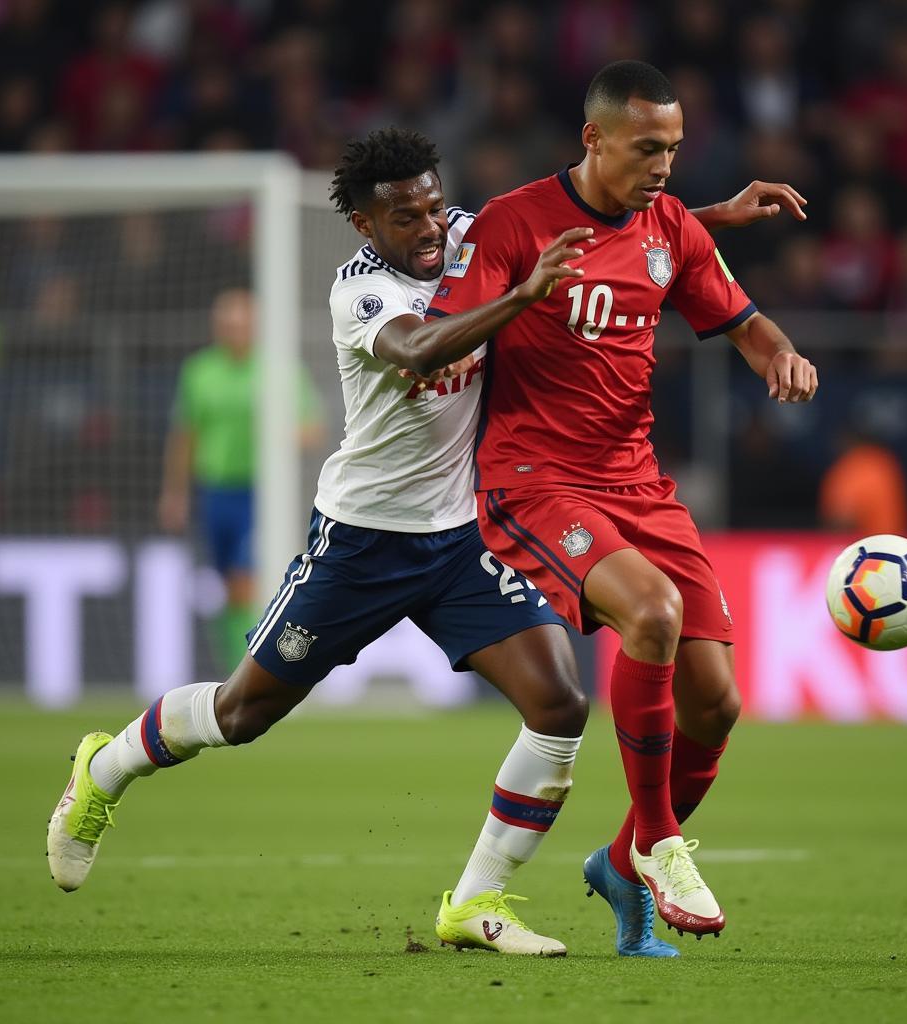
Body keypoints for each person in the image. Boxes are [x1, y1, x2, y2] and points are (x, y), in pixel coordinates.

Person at [48, 124, 808, 958]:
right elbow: (418, 351)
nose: (429, 230)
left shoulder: (469, 240)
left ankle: (475, 902)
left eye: (436, 208)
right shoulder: (359, 293)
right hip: (363, 541)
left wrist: (706, 221)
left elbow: (589, 236)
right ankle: (108, 765)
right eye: (404, 218)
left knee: (558, 705)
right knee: (242, 713)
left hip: (459, 539)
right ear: (366, 227)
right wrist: (521, 297)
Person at [413, 62, 818, 939]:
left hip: (638, 482)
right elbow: (457, 318)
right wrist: (450, 351)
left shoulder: (669, 225)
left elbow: (745, 322)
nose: (665, 165)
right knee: (655, 614)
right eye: (647, 148)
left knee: (718, 702)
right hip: (535, 478)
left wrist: (778, 353)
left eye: (673, 148)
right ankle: (661, 844)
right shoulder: (514, 223)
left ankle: (619, 854)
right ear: (593, 139)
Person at [157, 288, 326, 671]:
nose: (233, 330)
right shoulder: (199, 371)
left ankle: (247, 671)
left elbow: (313, 429)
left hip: (261, 494)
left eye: (241, 323)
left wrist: (284, 435)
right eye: (226, 324)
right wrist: (175, 493)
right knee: (228, 589)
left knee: (245, 579)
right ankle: (233, 665)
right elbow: (186, 435)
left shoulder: (279, 370)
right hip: (215, 493)